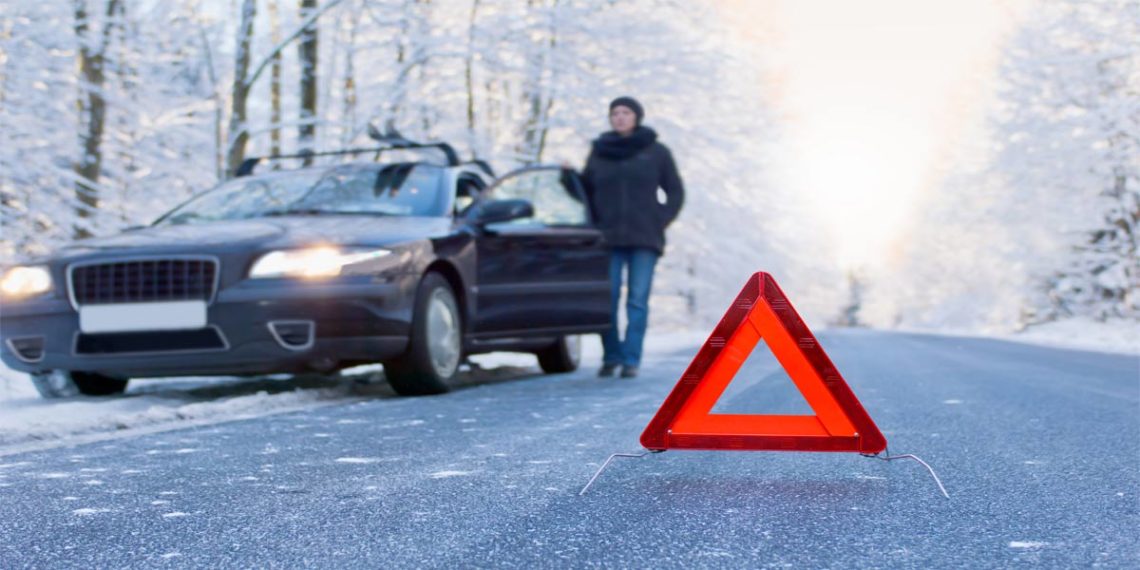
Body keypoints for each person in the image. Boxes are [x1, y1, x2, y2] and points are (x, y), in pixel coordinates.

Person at [579, 96, 685, 378]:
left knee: (637, 300)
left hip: (644, 239)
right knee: (607, 299)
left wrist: (659, 219)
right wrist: (569, 178)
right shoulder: (599, 151)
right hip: (607, 239)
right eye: (615, 113)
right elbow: (585, 191)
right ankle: (611, 355)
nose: (620, 117)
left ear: (637, 116)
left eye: (626, 112)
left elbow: (675, 191)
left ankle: (631, 360)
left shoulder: (656, 151)